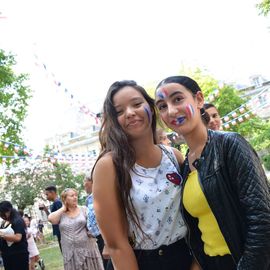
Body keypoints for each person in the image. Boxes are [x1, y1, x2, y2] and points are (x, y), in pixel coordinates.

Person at [155, 75, 270, 270]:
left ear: (199, 99)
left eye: (177, 99)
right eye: (162, 106)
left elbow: (262, 219)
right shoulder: (184, 164)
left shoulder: (230, 144)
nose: (171, 110)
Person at [92, 80, 192, 270]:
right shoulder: (109, 166)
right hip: (142, 262)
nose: (130, 113)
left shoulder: (174, 156)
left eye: (137, 104)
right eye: (119, 111)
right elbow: (117, 246)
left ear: (151, 107)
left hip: (185, 257)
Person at [48, 188, 104, 270]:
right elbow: (51, 219)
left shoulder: (84, 209)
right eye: (72, 196)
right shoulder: (61, 214)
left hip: (88, 250)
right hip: (71, 253)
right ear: (64, 199)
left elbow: (94, 225)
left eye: (76, 195)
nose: (75, 197)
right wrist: (64, 208)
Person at [84, 175, 109, 268]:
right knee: (103, 263)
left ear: (91, 182)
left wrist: (107, 242)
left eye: (85, 181)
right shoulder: (88, 199)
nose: (84, 184)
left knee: (108, 263)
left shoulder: (102, 194)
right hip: (97, 237)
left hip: (105, 236)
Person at [0, 201, 29, 270]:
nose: (1, 216)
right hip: (7, 255)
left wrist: (2, 235)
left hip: (18, 254)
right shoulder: (4, 223)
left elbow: (18, 237)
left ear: (8, 211)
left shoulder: (17, 221)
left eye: (2, 213)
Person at [41, 185, 62, 251]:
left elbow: (62, 217)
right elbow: (52, 217)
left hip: (61, 230)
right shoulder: (54, 203)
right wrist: (45, 210)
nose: (46, 197)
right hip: (59, 231)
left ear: (52, 192)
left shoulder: (57, 202)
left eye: (47, 195)